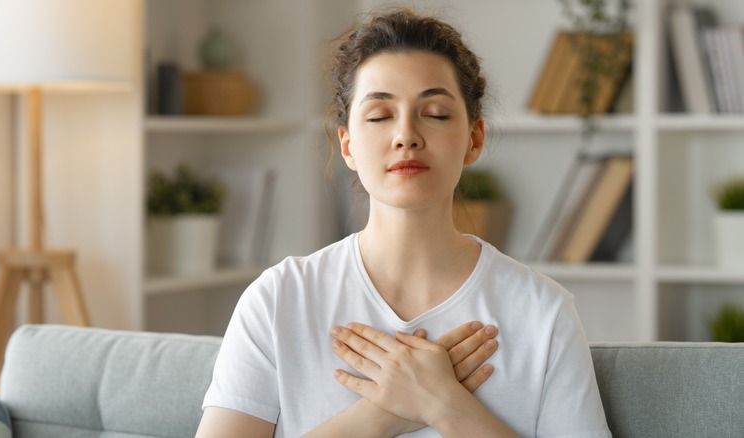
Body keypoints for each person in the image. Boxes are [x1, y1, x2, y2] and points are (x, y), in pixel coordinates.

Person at [196, 7, 610, 437]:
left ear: (474, 138)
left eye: (435, 113)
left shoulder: (544, 313)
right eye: (379, 116)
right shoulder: (279, 299)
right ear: (348, 145)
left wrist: (444, 403)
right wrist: (382, 413)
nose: (406, 135)